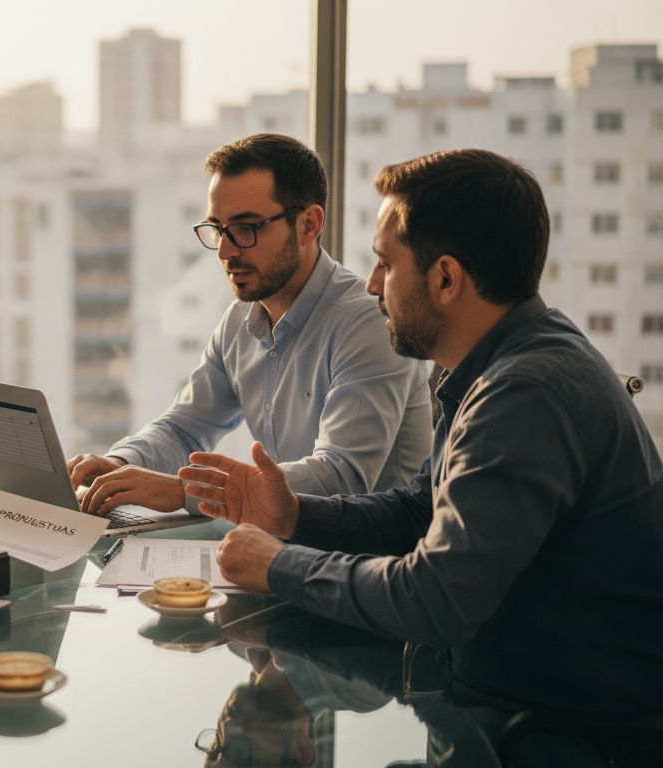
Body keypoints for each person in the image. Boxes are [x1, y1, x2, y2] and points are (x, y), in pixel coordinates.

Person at [180, 148, 663, 714]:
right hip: (509, 704)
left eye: (386, 264)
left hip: (561, 733)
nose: (372, 286)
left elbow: (435, 600)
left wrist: (279, 565)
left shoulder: (525, 393)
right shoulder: (506, 364)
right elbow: (420, 509)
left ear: (445, 279)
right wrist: (294, 515)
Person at [69, 133, 430, 519]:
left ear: (309, 224)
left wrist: (183, 490)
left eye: (246, 228)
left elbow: (341, 476)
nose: (226, 251)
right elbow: (184, 429)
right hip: (284, 548)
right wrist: (121, 464)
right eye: (218, 229)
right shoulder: (241, 321)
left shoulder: (367, 323)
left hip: (368, 562)